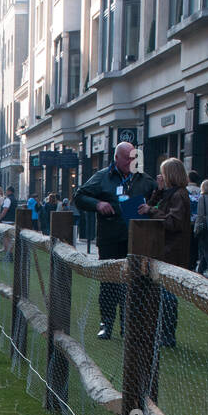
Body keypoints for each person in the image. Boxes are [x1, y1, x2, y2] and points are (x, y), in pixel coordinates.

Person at [73, 141, 155, 340]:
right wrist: (98, 203)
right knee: (109, 282)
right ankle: (106, 323)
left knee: (135, 283)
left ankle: (129, 325)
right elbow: (80, 196)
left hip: (136, 240)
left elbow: (157, 200)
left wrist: (152, 207)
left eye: (133, 158)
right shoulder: (102, 177)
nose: (130, 162)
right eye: (126, 158)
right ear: (116, 158)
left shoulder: (144, 180)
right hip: (110, 238)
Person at [145, 157, 192, 348]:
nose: (161, 177)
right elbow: (152, 205)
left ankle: (167, 335)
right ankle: (162, 332)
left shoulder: (179, 195)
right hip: (164, 249)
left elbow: (173, 223)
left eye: (163, 174)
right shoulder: (169, 193)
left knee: (168, 295)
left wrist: (152, 211)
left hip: (172, 251)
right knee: (161, 294)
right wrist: (157, 192)